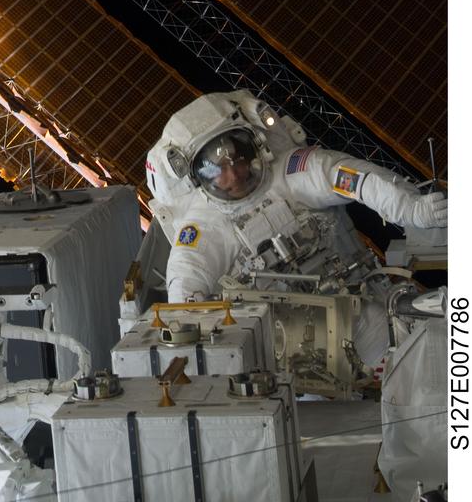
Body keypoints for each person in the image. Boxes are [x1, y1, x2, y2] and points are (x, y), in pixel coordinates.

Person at [146, 91, 446, 364]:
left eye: (238, 159)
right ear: (197, 178)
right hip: (294, 359)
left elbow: (357, 179)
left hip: (365, 311)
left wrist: (411, 209)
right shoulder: (203, 225)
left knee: (421, 361)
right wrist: (192, 322)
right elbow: (187, 282)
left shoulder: (293, 172)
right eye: (216, 170)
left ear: (256, 147)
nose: (233, 174)